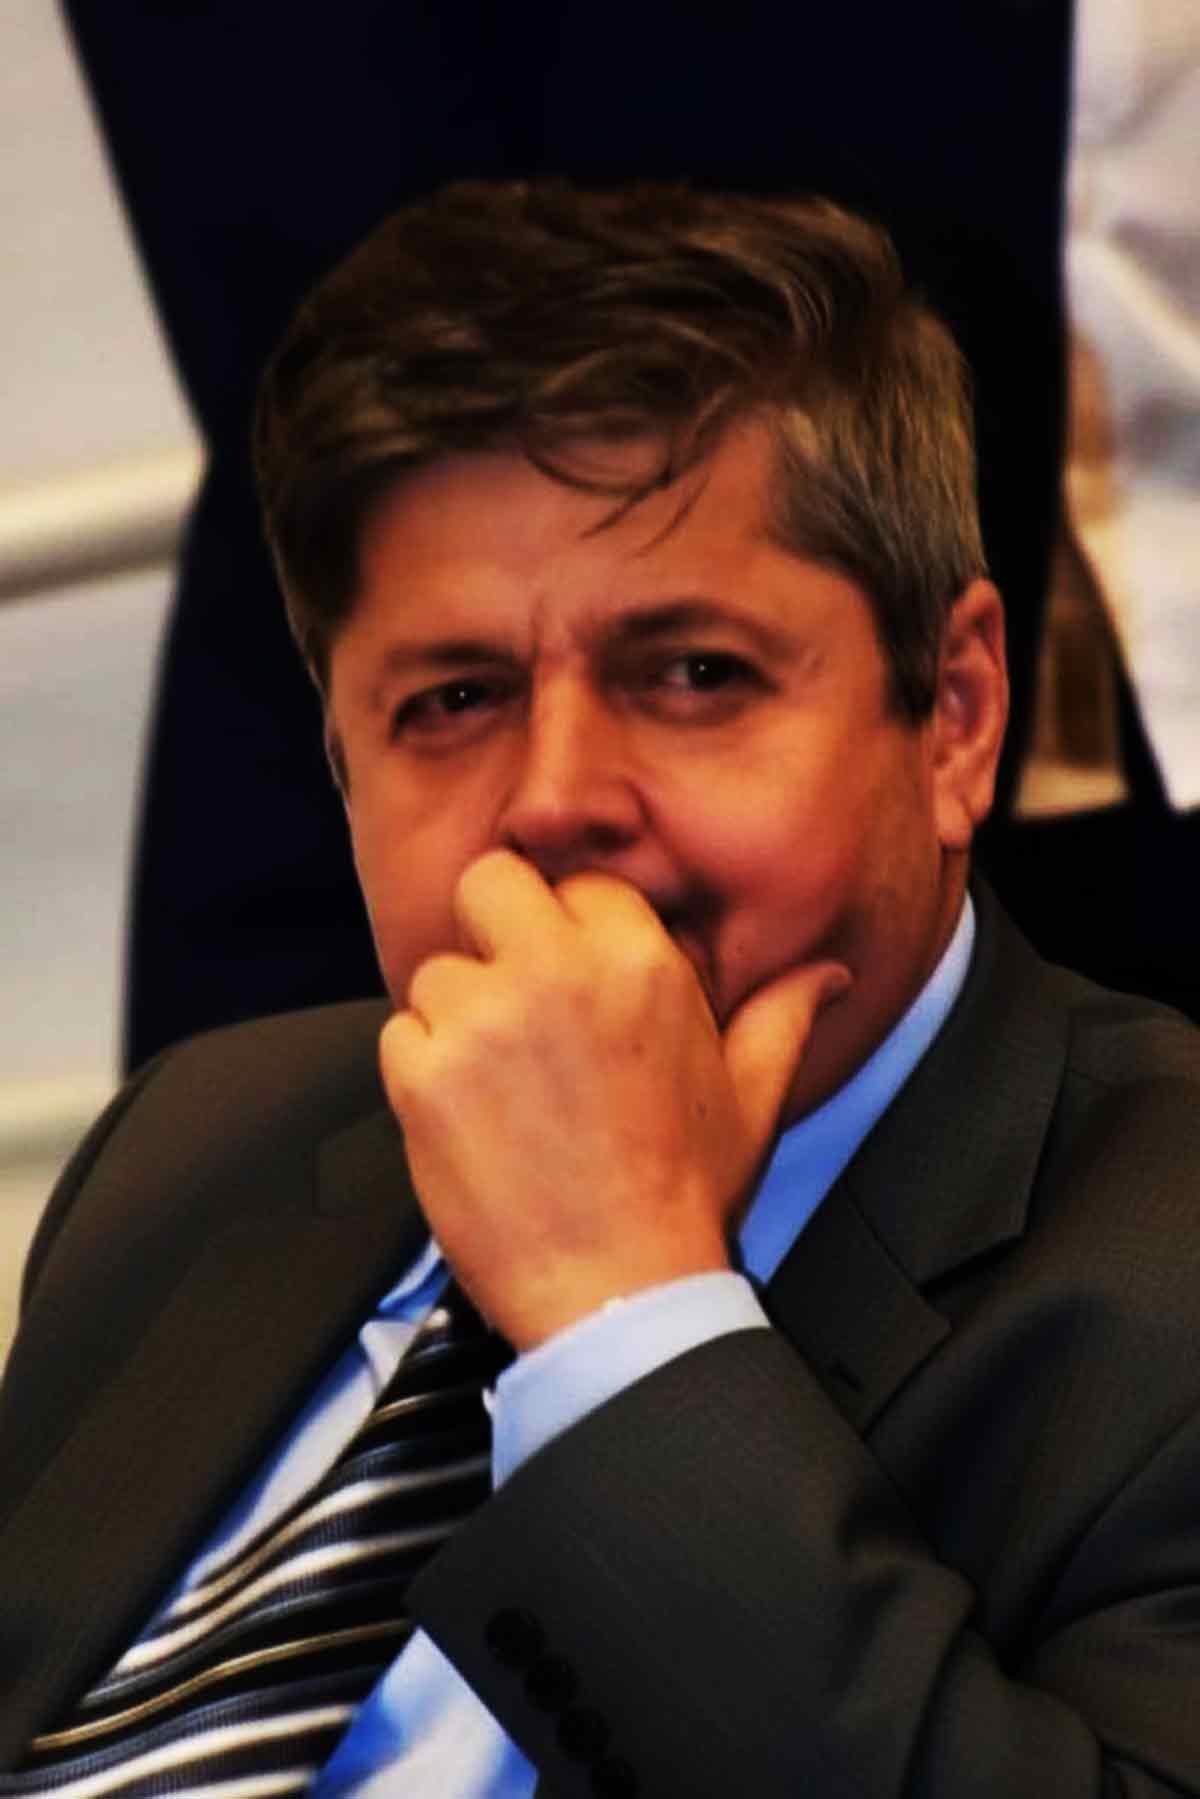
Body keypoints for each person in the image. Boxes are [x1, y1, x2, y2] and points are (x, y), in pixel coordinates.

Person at [2, 181, 1199, 1798]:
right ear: (340, 762)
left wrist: (618, 1316)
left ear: (957, 714)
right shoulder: (204, 1136)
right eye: (455, 699)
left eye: (696, 674)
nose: (556, 798)